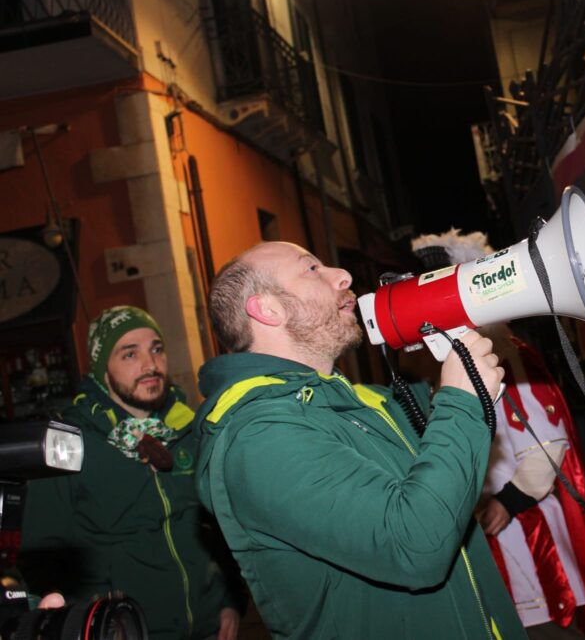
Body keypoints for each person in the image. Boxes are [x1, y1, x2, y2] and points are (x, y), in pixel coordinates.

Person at [194, 241, 526, 640]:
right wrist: (462, 404)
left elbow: (440, 500)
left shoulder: (365, 400)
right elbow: (415, 544)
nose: (343, 276)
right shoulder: (258, 439)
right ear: (267, 309)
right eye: (312, 269)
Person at [410, 231, 585, 640]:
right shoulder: (427, 366)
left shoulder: (510, 354)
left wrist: (508, 500)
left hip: (523, 527)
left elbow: (549, 444)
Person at [18, 306, 245, 640]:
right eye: (129, 354)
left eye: (156, 349)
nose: (150, 365)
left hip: (210, 629)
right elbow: (40, 558)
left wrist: (231, 599)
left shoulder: (190, 428)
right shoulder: (68, 443)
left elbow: (222, 526)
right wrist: (90, 624)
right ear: (101, 369)